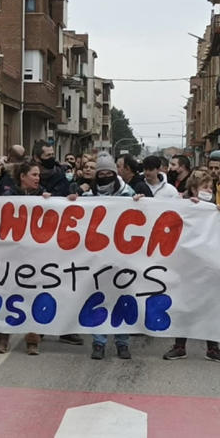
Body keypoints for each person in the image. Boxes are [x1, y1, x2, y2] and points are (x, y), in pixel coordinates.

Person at [163, 170, 220, 363]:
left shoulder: (215, 210)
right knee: (184, 303)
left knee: (211, 304)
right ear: (193, 189)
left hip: (209, 266)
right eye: (205, 187)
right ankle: (179, 346)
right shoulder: (179, 206)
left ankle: (213, 347)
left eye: (211, 187)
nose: (208, 191)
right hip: (185, 265)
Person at [81, 152, 134, 360]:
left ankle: (122, 342)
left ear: (114, 173)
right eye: (100, 173)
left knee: (123, 298)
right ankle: (98, 342)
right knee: (98, 299)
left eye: (108, 172)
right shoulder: (87, 197)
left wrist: (139, 202)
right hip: (96, 258)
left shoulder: (128, 195)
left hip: (122, 258)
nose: (105, 176)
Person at [0, 161, 50, 355]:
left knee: (33, 294)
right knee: (8, 293)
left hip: (34, 255)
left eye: (38, 175)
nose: (37, 178)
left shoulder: (43, 195)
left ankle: (32, 340)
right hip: (11, 254)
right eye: (34, 175)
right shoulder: (8, 195)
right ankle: (3, 338)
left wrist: (53, 202)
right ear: (22, 176)